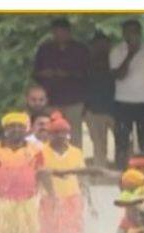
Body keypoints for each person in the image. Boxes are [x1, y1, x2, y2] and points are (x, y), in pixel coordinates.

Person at [110, 19, 144, 170]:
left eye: (134, 31)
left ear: (140, 33)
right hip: (123, 101)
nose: (130, 34)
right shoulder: (117, 51)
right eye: (127, 31)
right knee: (122, 140)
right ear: (123, 33)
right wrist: (130, 54)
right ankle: (121, 172)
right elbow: (118, 75)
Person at [39, 112, 86, 233]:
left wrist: (89, 201)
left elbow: (81, 178)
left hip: (72, 198)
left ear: (69, 134)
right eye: (56, 133)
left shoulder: (77, 152)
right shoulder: (41, 152)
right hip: (48, 199)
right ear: (49, 134)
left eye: (63, 132)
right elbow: (39, 174)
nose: (60, 136)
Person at [33, 18, 90, 147]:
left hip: (74, 100)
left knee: (74, 133)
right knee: (49, 131)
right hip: (51, 100)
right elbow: (35, 73)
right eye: (56, 33)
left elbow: (87, 73)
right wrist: (46, 73)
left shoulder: (80, 49)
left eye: (62, 32)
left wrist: (68, 74)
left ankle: (75, 162)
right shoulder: (44, 49)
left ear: (68, 32)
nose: (59, 36)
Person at [85, 31, 117, 168]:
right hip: (93, 109)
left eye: (104, 44)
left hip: (116, 109)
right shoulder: (85, 62)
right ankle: (99, 171)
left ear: (109, 46)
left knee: (123, 143)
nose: (101, 48)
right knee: (98, 145)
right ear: (92, 46)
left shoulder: (117, 60)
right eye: (97, 45)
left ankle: (124, 170)